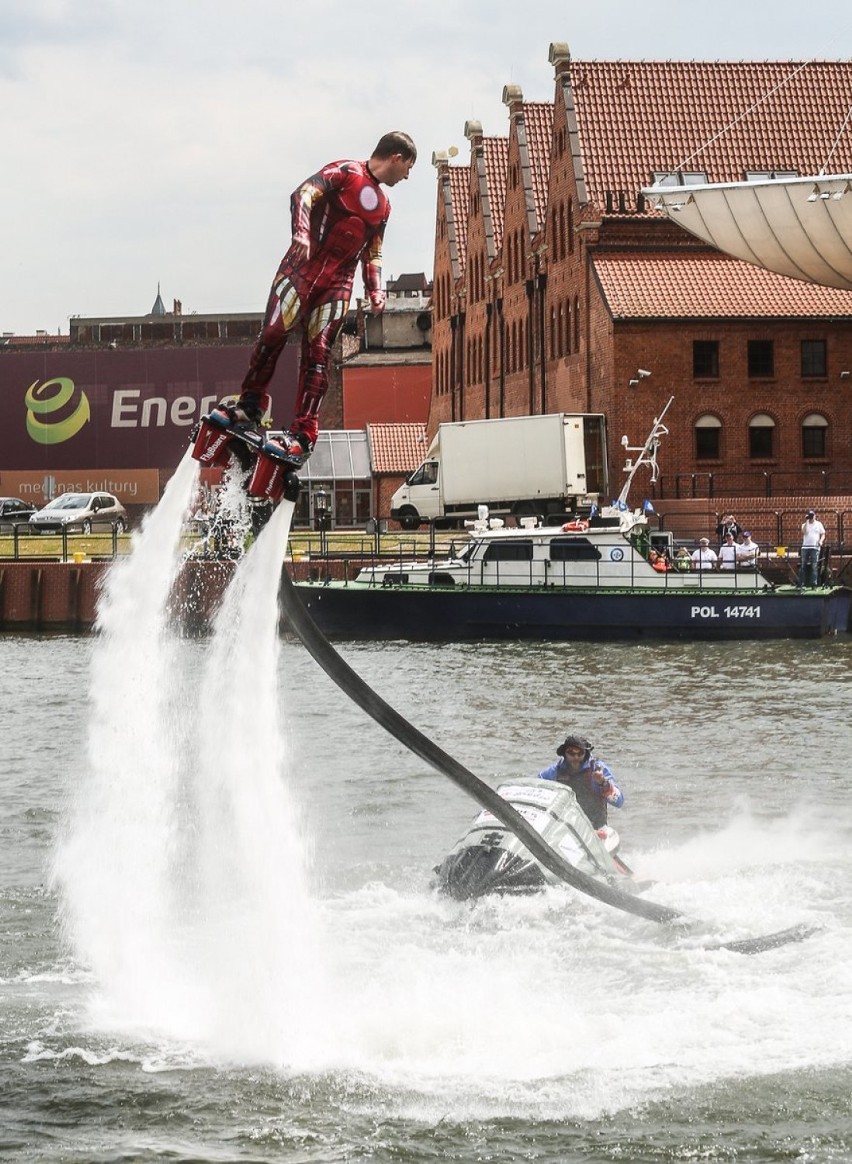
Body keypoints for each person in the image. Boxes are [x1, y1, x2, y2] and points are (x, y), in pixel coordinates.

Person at [228, 131, 417, 458]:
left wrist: (376, 291)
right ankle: (250, 404)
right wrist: (301, 233)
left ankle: (304, 431)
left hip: (337, 284)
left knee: (319, 356)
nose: (408, 176)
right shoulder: (346, 172)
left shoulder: (383, 207)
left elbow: (373, 252)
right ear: (396, 158)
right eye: (408, 168)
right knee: (272, 334)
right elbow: (303, 194)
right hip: (301, 269)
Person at [538, 734, 624, 829]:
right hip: (565, 828)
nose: (576, 757)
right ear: (564, 754)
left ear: (585, 753)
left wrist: (603, 782)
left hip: (596, 828)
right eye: (571, 753)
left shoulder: (598, 769)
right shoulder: (554, 772)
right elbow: (536, 789)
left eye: (580, 753)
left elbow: (619, 802)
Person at [800, 509, 826, 587]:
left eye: (812, 516)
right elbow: (804, 532)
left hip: (815, 547)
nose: (811, 517)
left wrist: (821, 541)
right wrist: (807, 521)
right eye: (810, 516)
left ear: (815, 516)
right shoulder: (804, 524)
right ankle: (801, 582)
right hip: (805, 547)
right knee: (803, 565)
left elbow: (823, 534)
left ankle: (813, 583)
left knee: (814, 565)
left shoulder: (819, 524)